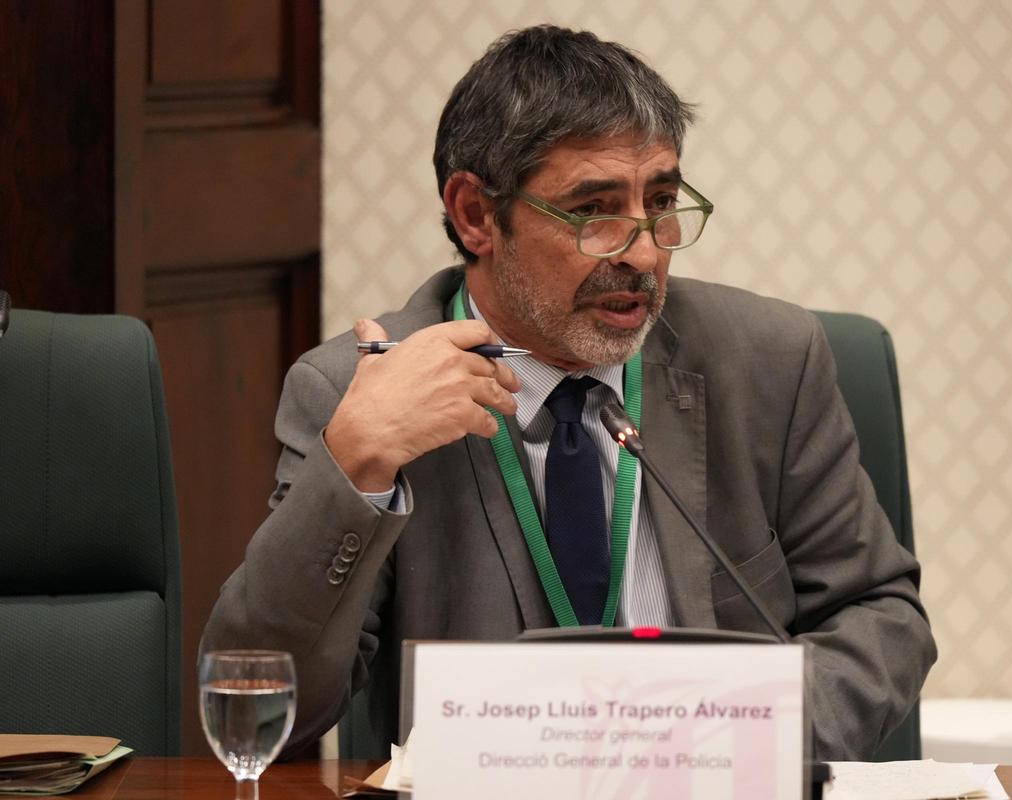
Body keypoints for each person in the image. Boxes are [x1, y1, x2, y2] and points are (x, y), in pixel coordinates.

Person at [202, 24, 936, 761]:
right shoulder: (354, 391)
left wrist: (730, 745)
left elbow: (880, 617)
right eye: (593, 210)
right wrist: (355, 461)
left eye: (661, 200)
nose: (644, 251)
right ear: (476, 215)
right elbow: (268, 704)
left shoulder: (767, 362)